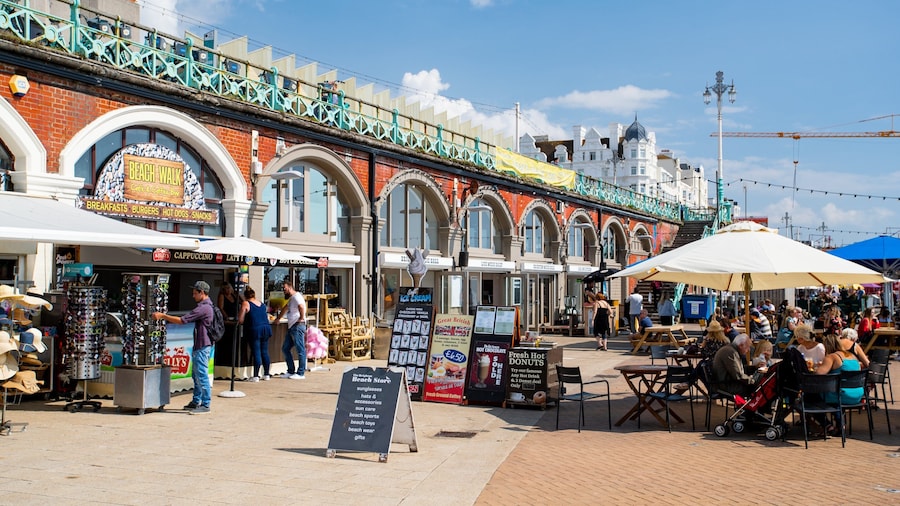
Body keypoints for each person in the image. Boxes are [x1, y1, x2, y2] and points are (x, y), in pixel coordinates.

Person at [152, 280, 214, 415]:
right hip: (201, 345)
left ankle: (205, 403)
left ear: (201, 293)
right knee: (196, 375)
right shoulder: (207, 306)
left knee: (201, 375)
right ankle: (196, 401)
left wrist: (162, 316)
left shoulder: (204, 307)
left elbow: (182, 321)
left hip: (202, 346)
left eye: (194, 293)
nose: (193, 296)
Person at [239, 285, 273, 382]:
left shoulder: (246, 303)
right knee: (265, 352)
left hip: (255, 329)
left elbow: (240, 319)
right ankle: (266, 374)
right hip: (266, 328)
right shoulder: (261, 304)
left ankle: (256, 376)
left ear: (246, 296)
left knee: (256, 352)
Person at [275, 280, 307, 380]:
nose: (284, 291)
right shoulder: (292, 298)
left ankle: (301, 372)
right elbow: (285, 308)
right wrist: (278, 318)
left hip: (297, 326)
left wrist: (301, 318)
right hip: (292, 326)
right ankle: (291, 370)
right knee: (285, 348)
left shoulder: (297, 297)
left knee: (300, 349)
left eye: (285, 288)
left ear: (290, 287)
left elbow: (301, 307)